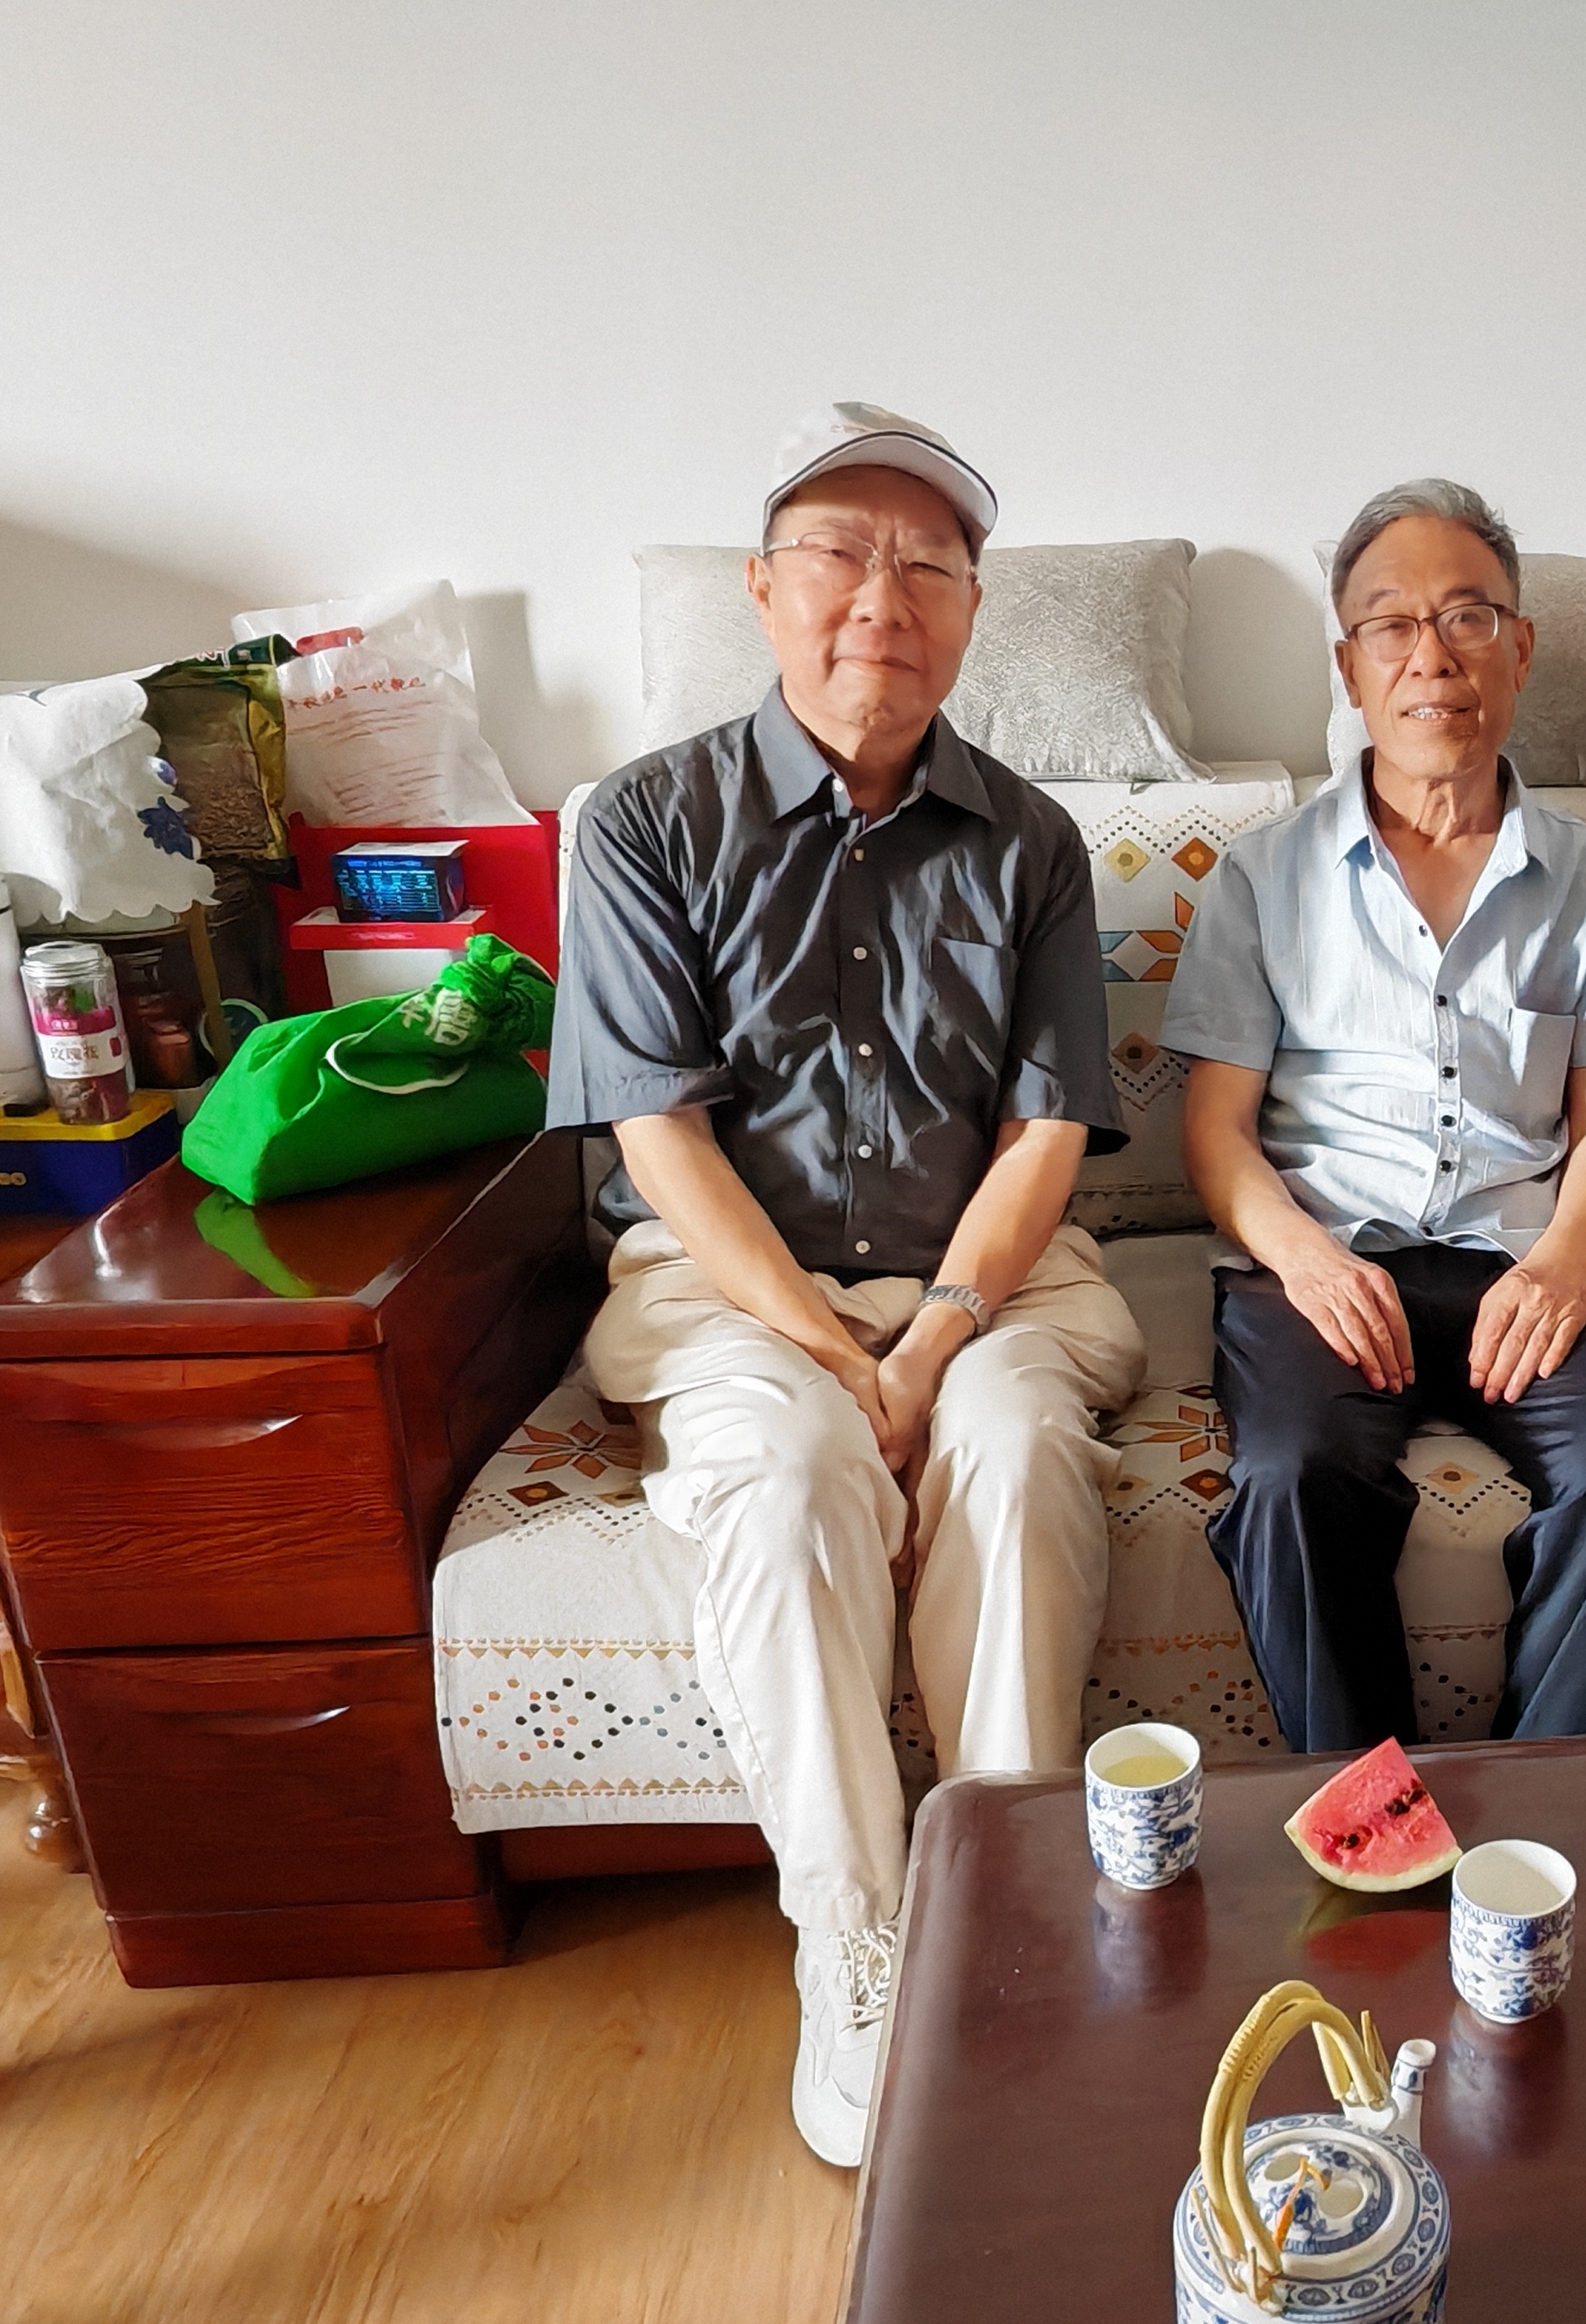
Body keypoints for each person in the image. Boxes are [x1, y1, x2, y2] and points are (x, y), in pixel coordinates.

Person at [550, 402, 1145, 2164]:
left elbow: (1046, 1133)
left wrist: (933, 1344)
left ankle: (1014, 1913)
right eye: (839, 552)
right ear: (761, 588)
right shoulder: (642, 822)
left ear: (970, 612)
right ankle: (861, 1949)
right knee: (794, 1468)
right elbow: (658, 1138)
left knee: (1016, 1453)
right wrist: (833, 1353)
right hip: (731, 1282)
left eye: (927, 565)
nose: (882, 595)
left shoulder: (1031, 840)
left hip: (989, 1282)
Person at [1163, 479, 1586, 1752]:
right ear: (1349, 666)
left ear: (1519, 647)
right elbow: (1215, 1131)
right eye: (1392, 624)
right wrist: (1305, 1261)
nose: (1433, 656)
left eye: (1468, 617)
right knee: (1291, 1477)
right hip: (1326, 1259)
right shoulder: (1263, 876)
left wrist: (1565, 1264)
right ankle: (1369, 1804)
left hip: (1527, 1255)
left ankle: (1541, 1805)